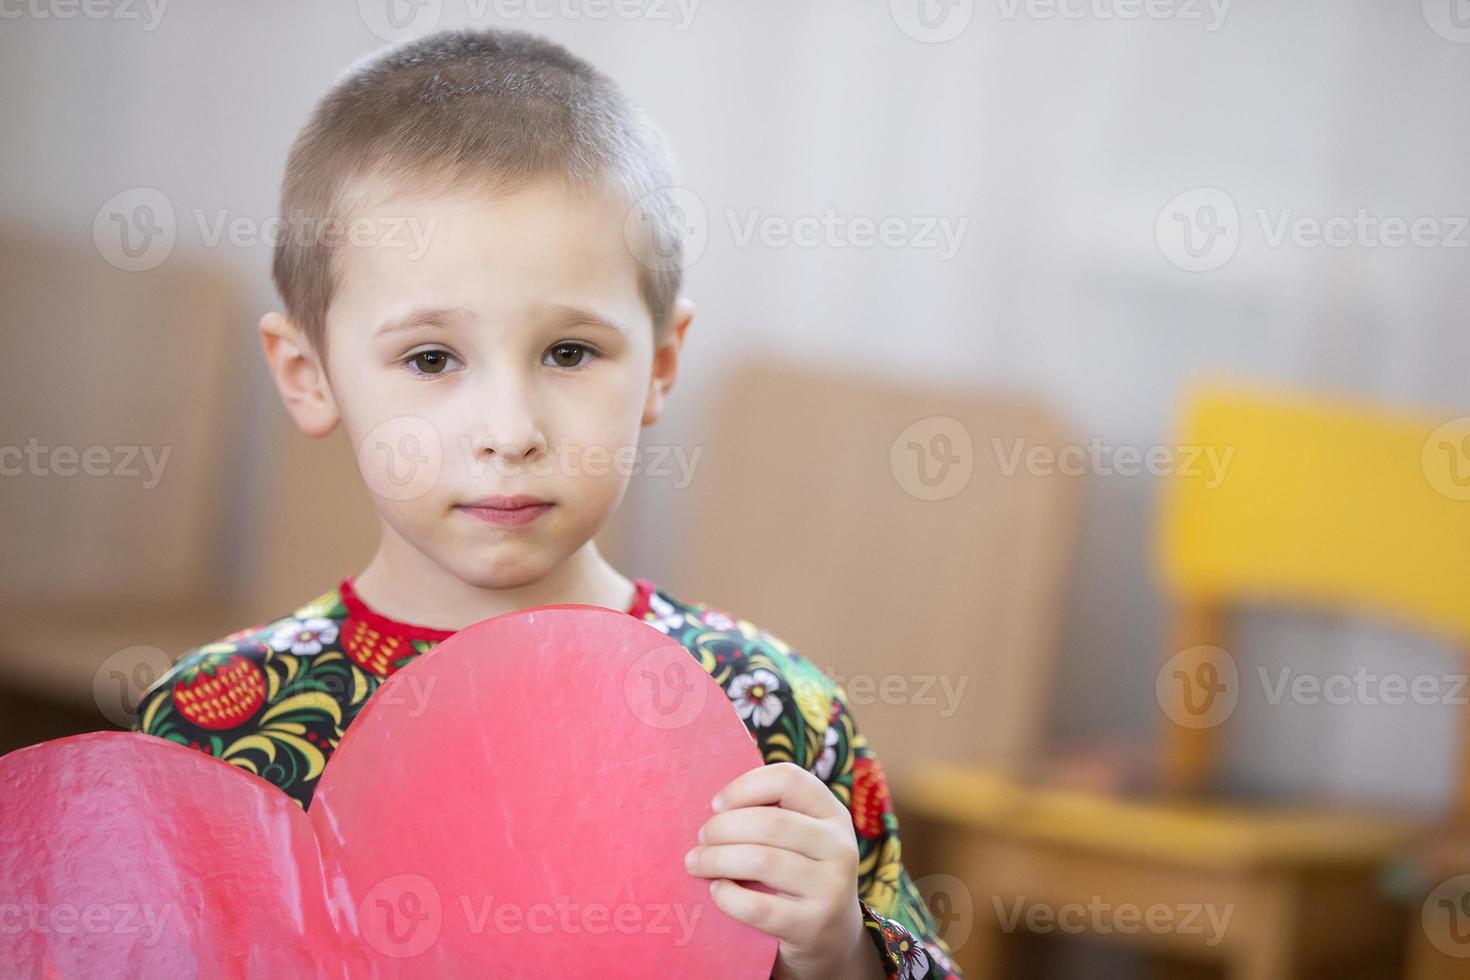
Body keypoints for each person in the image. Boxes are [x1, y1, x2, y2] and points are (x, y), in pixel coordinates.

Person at [134, 27, 962, 980]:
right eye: (432, 359)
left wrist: (839, 951)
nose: (510, 428)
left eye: (570, 353)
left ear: (659, 366)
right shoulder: (209, 729)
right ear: (308, 373)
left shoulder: (769, 712)